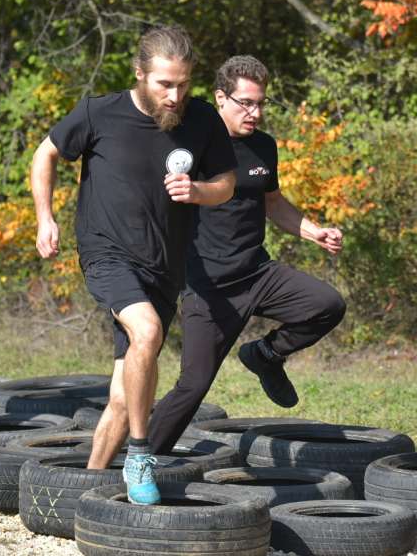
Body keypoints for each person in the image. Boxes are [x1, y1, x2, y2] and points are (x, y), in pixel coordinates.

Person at [30, 26, 237, 505]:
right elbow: (46, 153)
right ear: (140, 73)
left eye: (183, 84)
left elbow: (226, 183)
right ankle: (141, 455)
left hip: (165, 265)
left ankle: (84, 491)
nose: (175, 95)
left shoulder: (202, 119)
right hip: (106, 254)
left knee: (126, 397)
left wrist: (199, 191)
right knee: (147, 332)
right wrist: (45, 217)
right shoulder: (99, 112)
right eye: (165, 84)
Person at [147, 55, 347, 455]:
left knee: (327, 304)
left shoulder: (263, 147)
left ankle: (265, 355)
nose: (254, 113)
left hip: (257, 272)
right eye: (246, 103)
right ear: (221, 98)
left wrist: (315, 232)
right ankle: (141, 459)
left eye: (260, 104)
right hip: (208, 286)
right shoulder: (190, 145)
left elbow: (273, 203)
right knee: (193, 386)